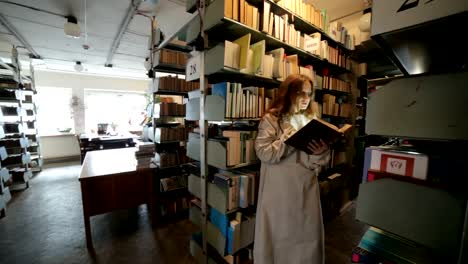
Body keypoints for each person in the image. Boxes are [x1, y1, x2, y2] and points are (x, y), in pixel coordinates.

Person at [254, 74, 331, 264]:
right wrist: (289, 139)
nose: (306, 99)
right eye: (301, 93)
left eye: (309, 94)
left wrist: (320, 153)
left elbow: (316, 163)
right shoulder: (271, 119)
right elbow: (264, 153)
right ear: (288, 94)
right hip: (279, 191)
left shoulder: (311, 119)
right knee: (278, 240)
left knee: (305, 240)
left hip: (306, 188)